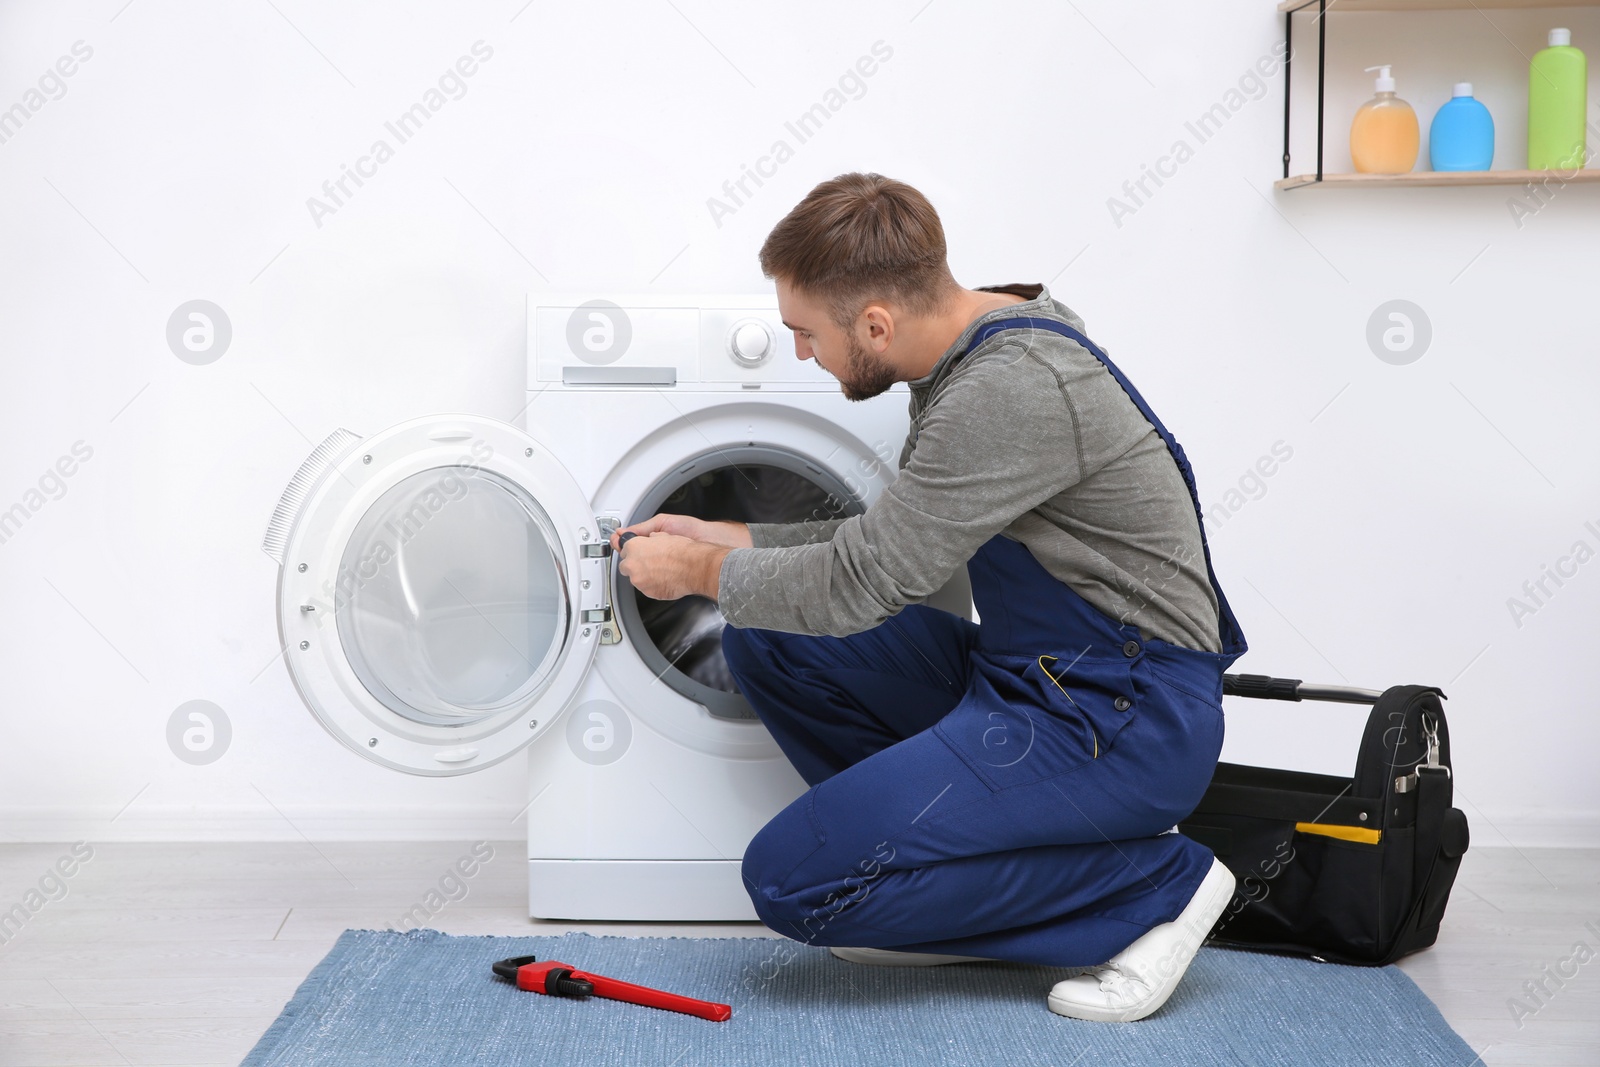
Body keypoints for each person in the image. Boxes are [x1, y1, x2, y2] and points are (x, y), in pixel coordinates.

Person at [611, 172, 1248, 1022]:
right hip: (1036, 680)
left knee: (791, 882)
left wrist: (695, 576)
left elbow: (868, 581)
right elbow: (893, 542)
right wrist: (726, 538)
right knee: (768, 637)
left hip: (1120, 715)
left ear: (876, 322)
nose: (803, 353)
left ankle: (1157, 883)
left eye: (806, 333)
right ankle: (928, 884)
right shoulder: (978, 341)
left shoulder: (1007, 387)